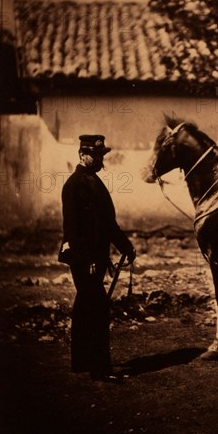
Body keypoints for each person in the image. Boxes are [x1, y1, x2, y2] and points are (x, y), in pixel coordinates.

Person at [58, 135, 136, 382]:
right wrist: (88, 258)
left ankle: (81, 362)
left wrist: (125, 246)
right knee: (97, 308)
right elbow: (72, 228)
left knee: (84, 305)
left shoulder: (95, 182)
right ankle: (100, 369)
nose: (100, 160)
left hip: (95, 256)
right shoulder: (74, 184)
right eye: (96, 155)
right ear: (82, 154)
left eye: (102, 155)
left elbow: (107, 223)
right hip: (84, 257)